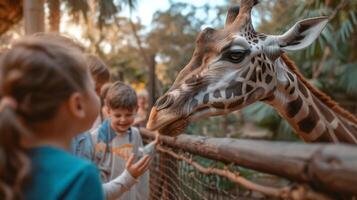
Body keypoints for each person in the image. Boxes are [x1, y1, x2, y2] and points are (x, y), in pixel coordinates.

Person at [0, 37, 103, 199]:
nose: (99, 95)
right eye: (93, 88)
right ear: (77, 105)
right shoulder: (80, 177)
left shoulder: (9, 165)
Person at [92, 81, 149, 200]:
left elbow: (141, 172)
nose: (123, 120)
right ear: (108, 111)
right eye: (117, 115)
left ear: (136, 109)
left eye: (128, 115)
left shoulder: (135, 135)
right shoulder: (96, 137)